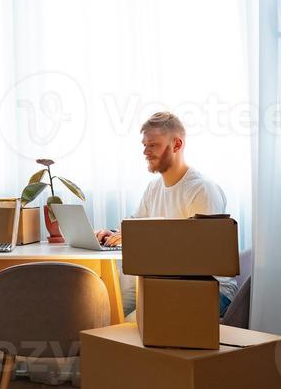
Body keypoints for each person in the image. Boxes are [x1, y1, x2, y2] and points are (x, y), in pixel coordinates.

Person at [96, 111, 237, 316]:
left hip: (210, 288)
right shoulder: (153, 188)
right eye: (144, 145)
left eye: (153, 145)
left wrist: (145, 241)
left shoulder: (201, 189)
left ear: (177, 145)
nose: (145, 151)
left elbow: (203, 258)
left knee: (136, 320)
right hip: (161, 280)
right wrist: (112, 235)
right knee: (108, 310)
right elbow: (135, 227)